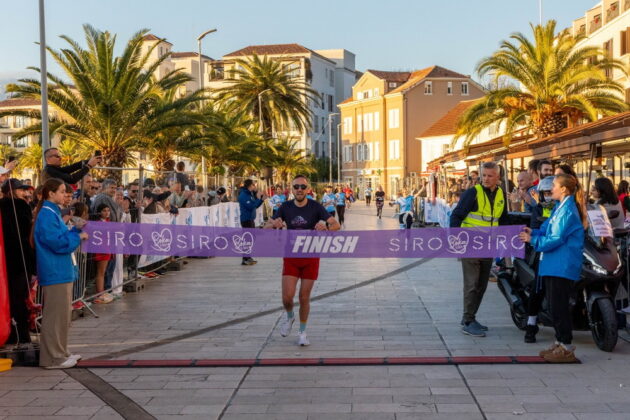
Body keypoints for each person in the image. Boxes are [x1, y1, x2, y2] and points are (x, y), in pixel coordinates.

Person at [265, 174, 340, 346]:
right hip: (291, 256)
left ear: (308, 189)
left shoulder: (316, 206)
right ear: (291, 189)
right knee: (287, 297)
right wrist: (273, 225)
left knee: (304, 297)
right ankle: (290, 316)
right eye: (296, 187)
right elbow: (266, 227)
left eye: (303, 187)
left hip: (311, 257)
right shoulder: (285, 207)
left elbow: (336, 225)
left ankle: (302, 332)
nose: (299, 190)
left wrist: (326, 227)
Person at [519, 174, 586, 362]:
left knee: (559, 307)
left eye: (554, 185)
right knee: (554, 307)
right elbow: (547, 229)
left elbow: (556, 238)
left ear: (563, 189)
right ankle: (559, 342)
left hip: (561, 264)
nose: (551, 189)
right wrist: (533, 231)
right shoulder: (559, 207)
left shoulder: (567, 210)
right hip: (552, 264)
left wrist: (532, 240)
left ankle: (566, 347)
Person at [450, 161, 509, 337]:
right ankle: (468, 322)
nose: (486, 179)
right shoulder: (472, 193)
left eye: (490, 176)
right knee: (472, 284)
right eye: (484, 175)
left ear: (498, 177)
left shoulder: (500, 194)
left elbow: (503, 219)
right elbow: (456, 216)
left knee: (482, 285)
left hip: (488, 246)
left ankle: (470, 318)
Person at [34, 178, 88, 369]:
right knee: (55, 317)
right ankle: (53, 357)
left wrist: (75, 230)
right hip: (55, 270)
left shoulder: (52, 213)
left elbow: (61, 237)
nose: (66, 195)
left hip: (61, 270)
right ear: (51, 193)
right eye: (62, 191)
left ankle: (61, 351)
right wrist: (77, 235)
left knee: (63, 316)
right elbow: (57, 243)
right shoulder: (47, 214)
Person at [0, 179, 36, 345]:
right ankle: (21, 333)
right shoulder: (21, 206)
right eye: (21, 190)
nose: (25, 193)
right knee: (20, 299)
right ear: (12, 191)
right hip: (20, 259)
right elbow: (28, 232)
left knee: (8, 298)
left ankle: (9, 332)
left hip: (5, 259)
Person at [89, 204, 114, 304]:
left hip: (107, 249)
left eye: (108, 210)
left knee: (103, 273)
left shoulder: (108, 222)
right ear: (99, 212)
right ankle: (99, 294)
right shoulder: (98, 223)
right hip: (102, 250)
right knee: (100, 273)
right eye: (104, 210)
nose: (107, 212)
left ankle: (101, 292)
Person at [238, 179, 265, 265]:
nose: (255, 186)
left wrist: (261, 200)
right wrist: (259, 199)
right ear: (250, 186)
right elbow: (251, 206)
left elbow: (255, 206)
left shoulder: (250, 194)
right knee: (247, 239)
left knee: (251, 239)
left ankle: (248, 257)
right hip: (246, 220)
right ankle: (245, 258)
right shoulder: (243, 195)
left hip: (250, 219)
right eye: (254, 185)